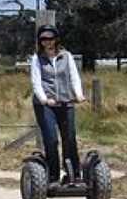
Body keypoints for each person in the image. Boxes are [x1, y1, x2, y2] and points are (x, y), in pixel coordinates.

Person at [30, 25, 86, 185]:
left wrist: (78, 94)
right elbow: (36, 82)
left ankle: (74, 174)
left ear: (56, 39)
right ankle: (52, 176)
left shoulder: (66, 56)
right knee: (52, 140)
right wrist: (44, 99)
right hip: (46, 105)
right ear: (40, 41)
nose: (47, 42)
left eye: (50, 38)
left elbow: (74, 77)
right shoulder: (36, 59)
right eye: (44, 39)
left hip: (65, 102)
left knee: (69, 137)